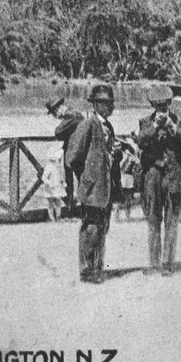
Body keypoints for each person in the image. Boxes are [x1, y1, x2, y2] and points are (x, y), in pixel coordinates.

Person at [64, 84, 122, 284]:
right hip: (92, 187)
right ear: (97, 105)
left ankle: (97, 268)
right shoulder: (88, 124)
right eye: (107, 104)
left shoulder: (108, 126)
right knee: (91, 228)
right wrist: (86, 176)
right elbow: (72, 157)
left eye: (111, 103)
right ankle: (87, 271)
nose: (111, 107)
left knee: (101, 228)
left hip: (105, 188)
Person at [137, 85, 181, 276]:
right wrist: (155, 127)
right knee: (153, 219)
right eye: (158, 105)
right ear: (153, 105)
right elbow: (140, 141)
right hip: (153, 174)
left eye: (165, 105)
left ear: (170, 104)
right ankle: (154, 263)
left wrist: (173, 127)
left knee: (171, 221)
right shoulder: (145, 121)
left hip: (174, 174)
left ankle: (167, 264)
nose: (162, 109)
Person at [42, 96, 82, 220]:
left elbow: (58, 132)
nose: (56, 117)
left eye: (54, 114)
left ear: (58, 109)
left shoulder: (70, 114)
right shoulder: (73, 114)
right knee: (74, 182)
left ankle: (74, 210)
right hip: (75, 152)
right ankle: (74, 210)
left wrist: (63, 130)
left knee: (74, 182)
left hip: (74, 154)